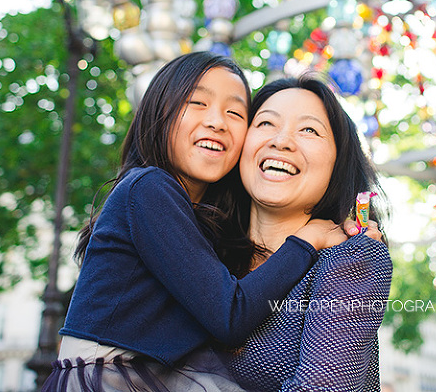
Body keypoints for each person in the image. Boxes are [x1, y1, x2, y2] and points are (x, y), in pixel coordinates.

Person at [42, 52, 373, 391]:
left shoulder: (207, 228)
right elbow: (230, 315)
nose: (217, 121)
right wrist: (308, 238)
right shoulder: (149, 188)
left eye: (235, 112)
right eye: (197, 102)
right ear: (158, 112)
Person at [194, 75, 393, 391]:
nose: (282, 141)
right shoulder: (196, 247)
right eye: (266, 124)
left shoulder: (352, 257)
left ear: (337, 163)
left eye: (309, 130)